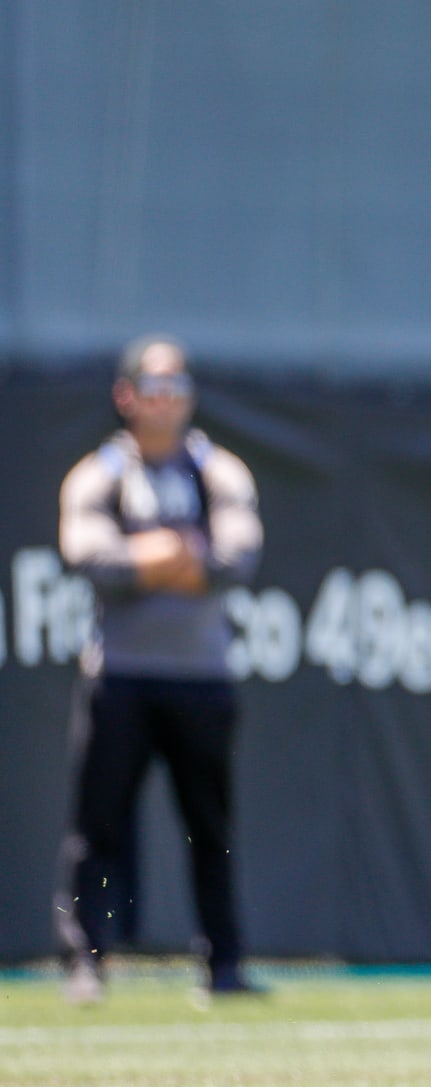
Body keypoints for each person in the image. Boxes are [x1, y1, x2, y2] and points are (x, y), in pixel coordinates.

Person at [54, 334, 265, 1003]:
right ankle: (85, 962)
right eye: (154, 388)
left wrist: (146, 558)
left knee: (211, 827)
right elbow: (91, 557)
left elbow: (236, 557)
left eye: (177, 389)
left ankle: (224, 965)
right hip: (120, 675)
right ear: (127, 397)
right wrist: (175, 554)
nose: (167, 401)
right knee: (99, 828)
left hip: (201, 679)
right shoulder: (100, 473)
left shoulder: (219, 471)